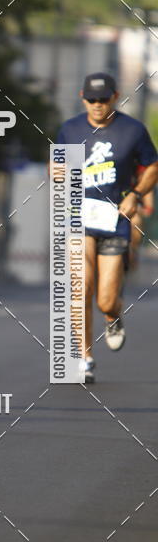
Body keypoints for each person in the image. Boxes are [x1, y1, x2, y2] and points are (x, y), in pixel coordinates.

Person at [56, 73, 158, 383]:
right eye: (92, 99)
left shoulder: (133, 130)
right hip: (79, 218)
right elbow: (59, 165)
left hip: (115, 221)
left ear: (115, 96)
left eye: (103, 99)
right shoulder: (70, 129)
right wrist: (57, 172)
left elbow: (153, 165)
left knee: (105, 299)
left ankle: (113, 316)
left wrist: (136, 196)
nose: (97, 105)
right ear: (82, 97)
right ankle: (84, 357)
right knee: (80, 287)